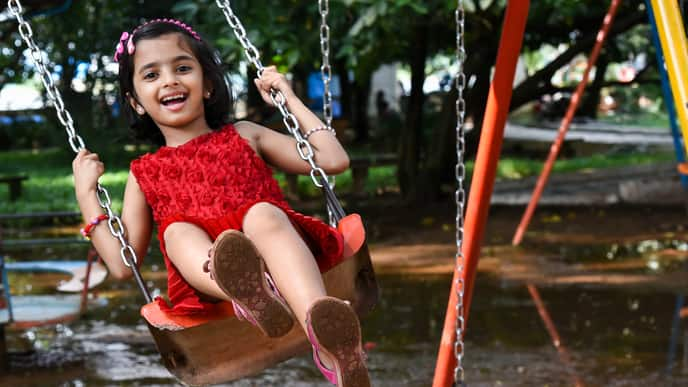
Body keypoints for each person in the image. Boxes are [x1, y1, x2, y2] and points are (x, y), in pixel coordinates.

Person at [72, 19, 370, 387]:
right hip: (207, 283)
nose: (170, 81)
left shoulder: (245, 135)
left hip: (282, 254)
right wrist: (87, 195)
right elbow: (121, 263)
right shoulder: (143, 173)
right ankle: (244, 289)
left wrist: (287, 97)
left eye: (183, 68)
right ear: (136, 102)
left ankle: (327, 335)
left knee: (261, 214)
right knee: (178, 232)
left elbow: (332, 159)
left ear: (208, 84)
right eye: (151, 75)